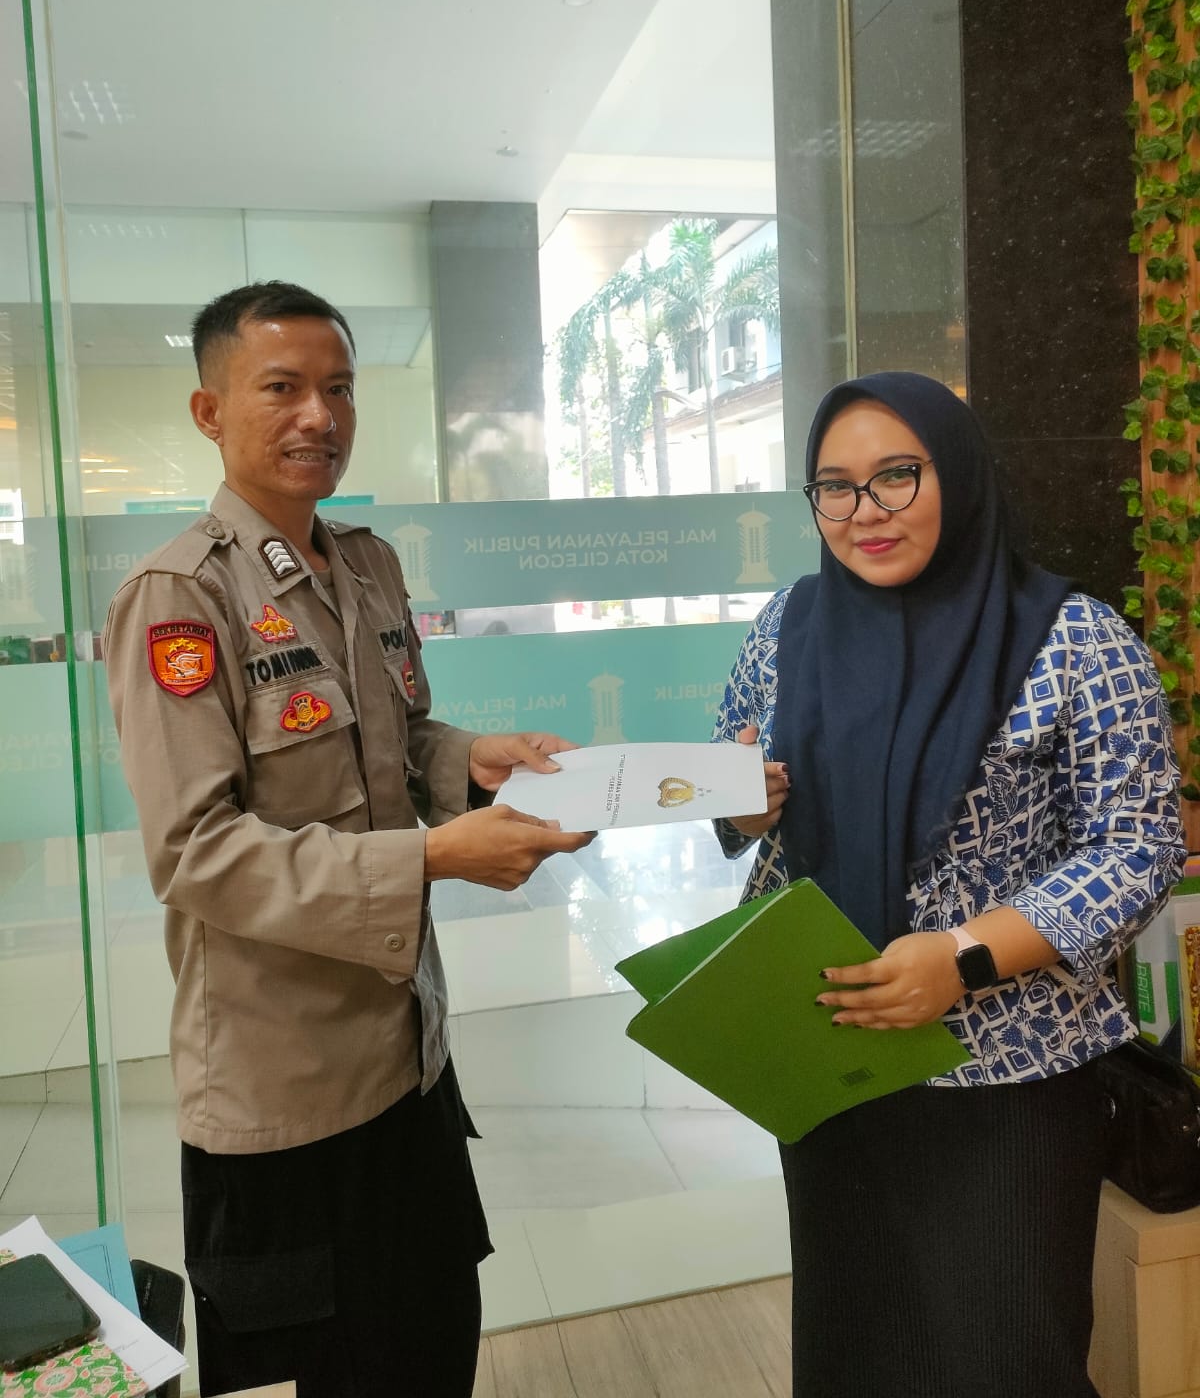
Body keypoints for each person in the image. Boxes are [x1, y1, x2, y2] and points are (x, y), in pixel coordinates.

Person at [103, 281, 593, 1398]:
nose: (318, 416)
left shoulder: (367, 564)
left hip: (405, 1052)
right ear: (208, 412)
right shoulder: (180, 597)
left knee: (430, 1350)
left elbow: (397, 739)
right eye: (281, 388)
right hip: (283, 1086)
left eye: (338, 389)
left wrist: (472, 759)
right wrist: (433, 857)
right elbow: (195, 851)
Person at [712, 371, 1186, 1398]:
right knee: (857, 1345)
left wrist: (964, 959)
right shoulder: (788, 625)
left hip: (1008, 1070)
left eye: (896, 476)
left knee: (1005, 1356)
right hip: (829, 1049)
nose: (864, 512)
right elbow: (731, 772)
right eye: (834, 487)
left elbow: (1138, 846)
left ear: (958, 474)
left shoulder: (1076, 639)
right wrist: (744, 805)